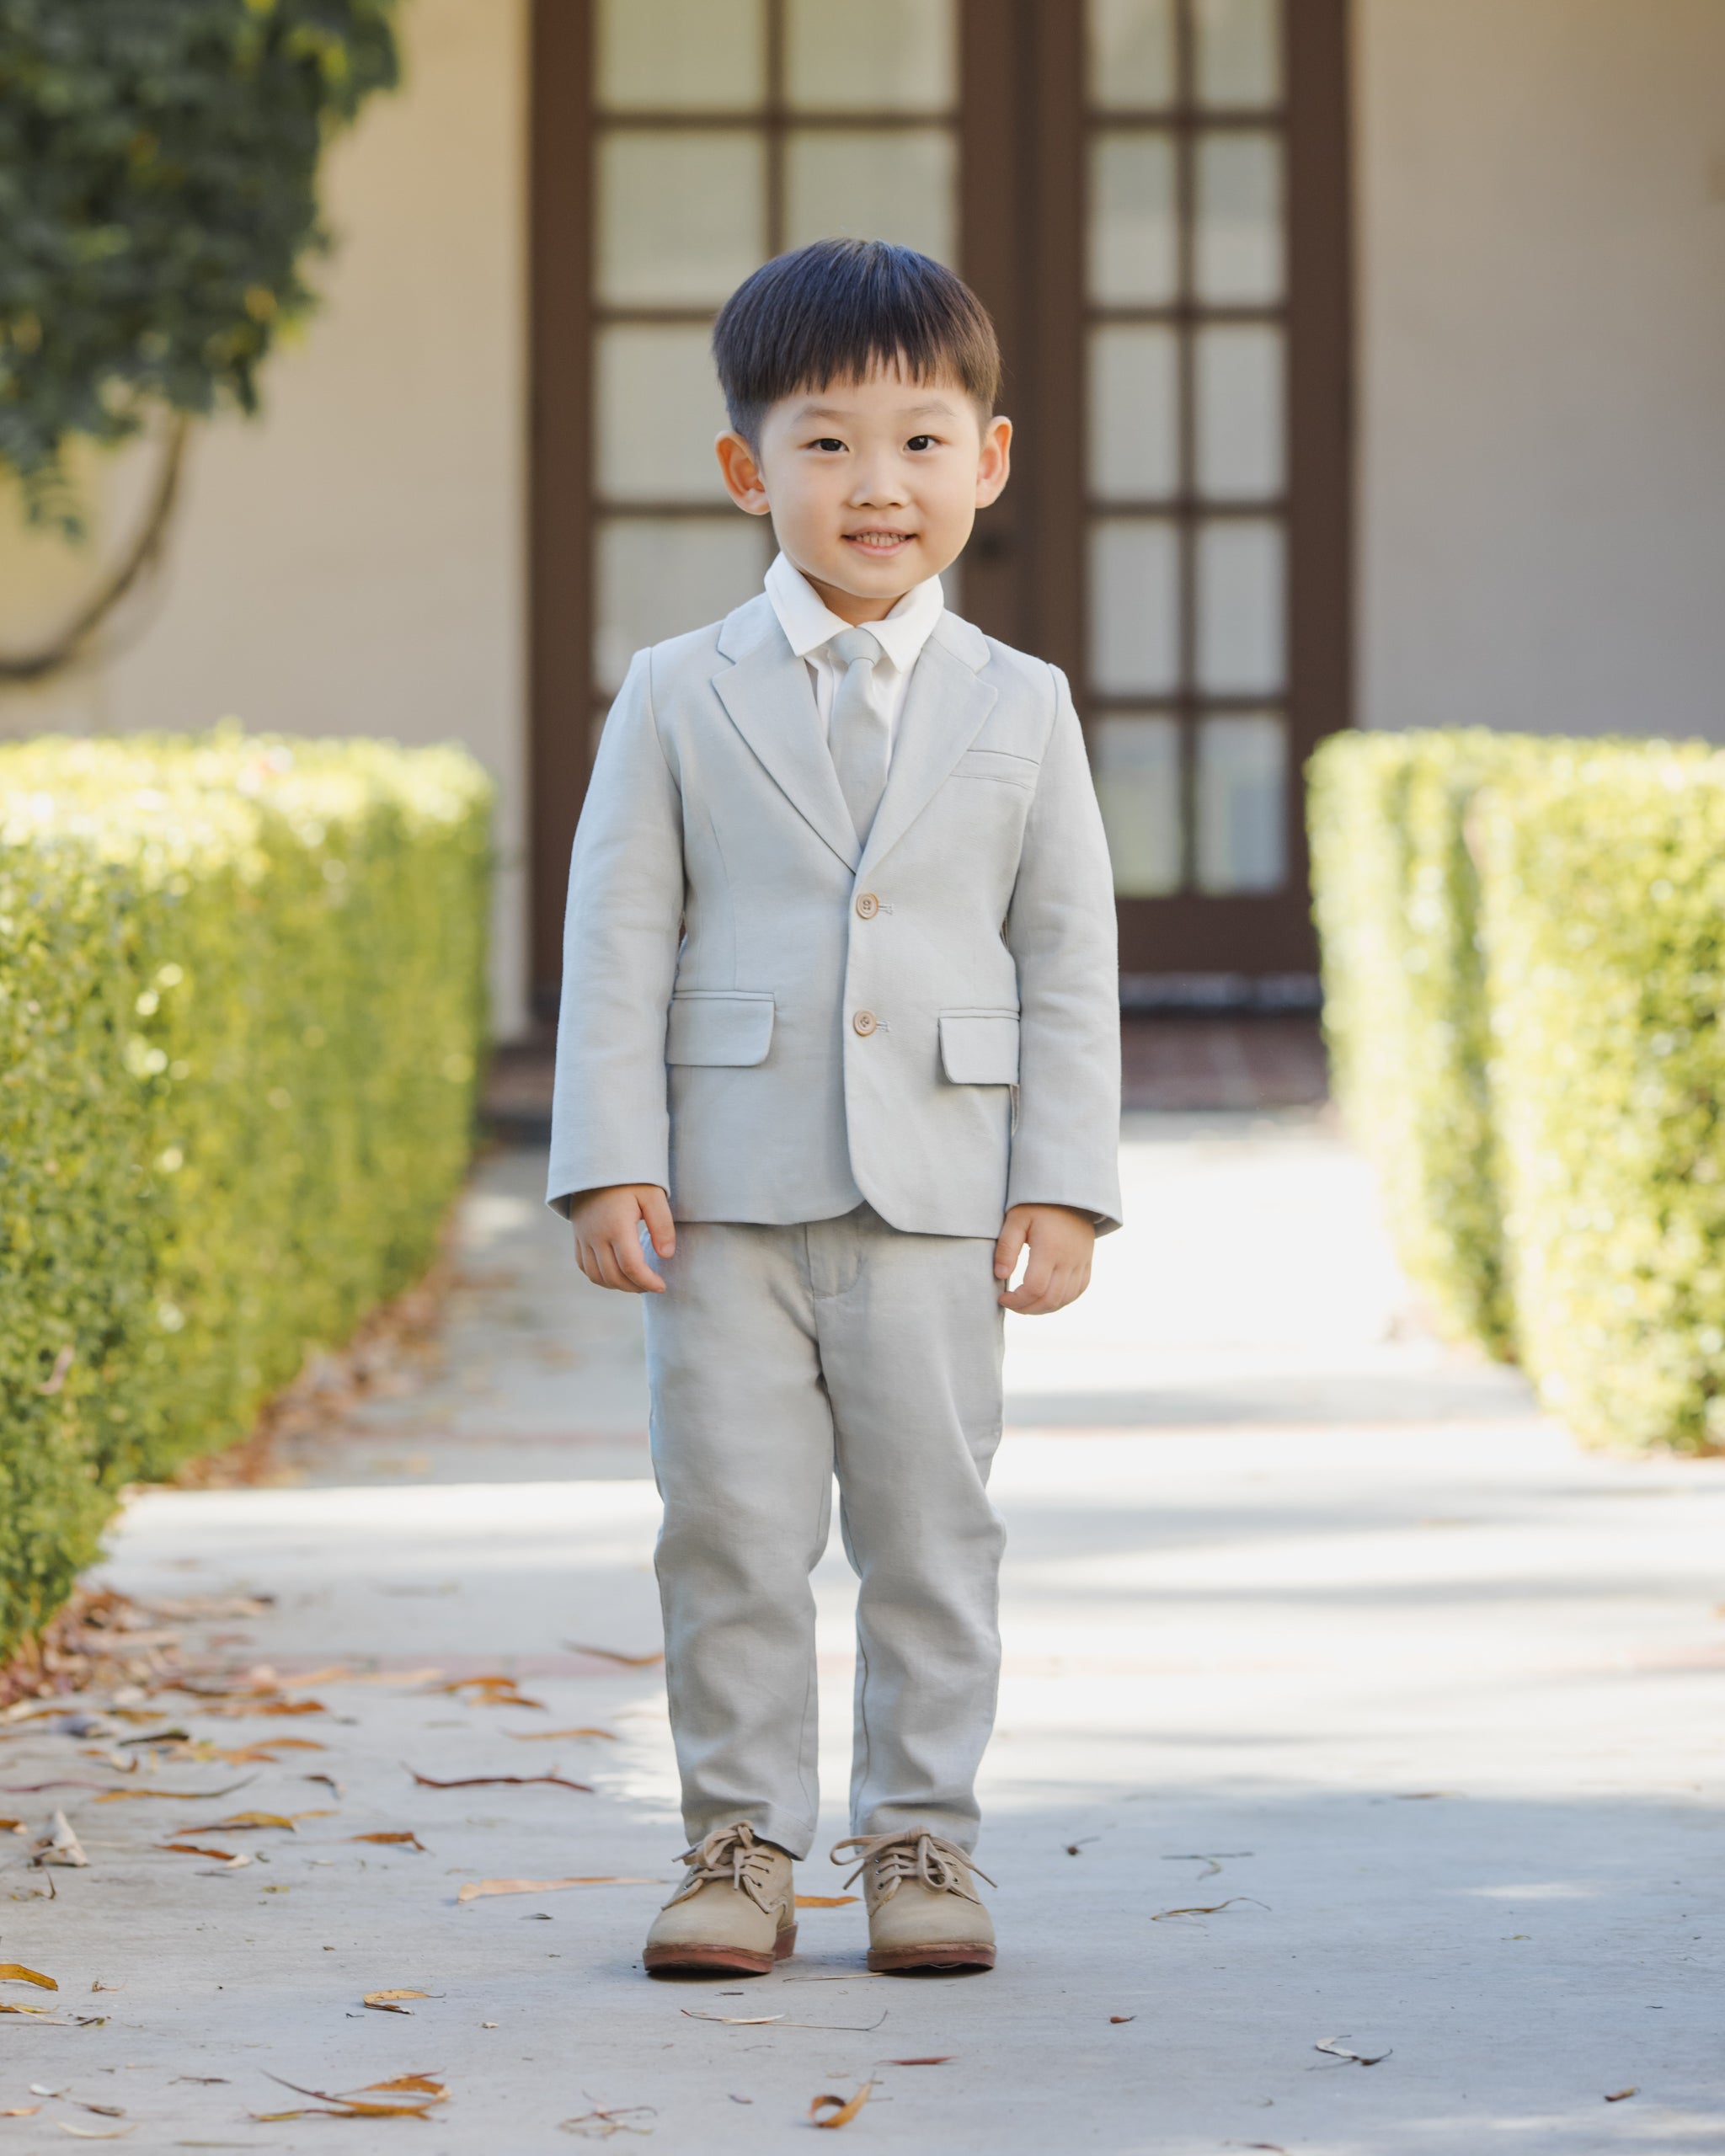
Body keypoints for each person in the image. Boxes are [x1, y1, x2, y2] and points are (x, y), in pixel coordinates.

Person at [547, 237, 1120, 1978]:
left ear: (988, 460)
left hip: (941, 1193)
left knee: (933, 1531)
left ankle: (922, 1840)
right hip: (722, 1195)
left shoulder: (1023, 703)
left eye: (920, 441)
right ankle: (734, 1845)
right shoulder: (675, 690)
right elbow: (617, 932)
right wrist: (607, 1160)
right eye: (826, 443)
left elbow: (1065, 951)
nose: (878, 483)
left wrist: (1064, 1182)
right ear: (747, 469)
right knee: (727, 1525)